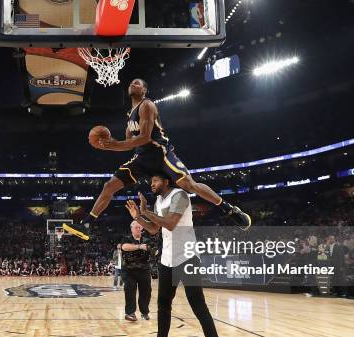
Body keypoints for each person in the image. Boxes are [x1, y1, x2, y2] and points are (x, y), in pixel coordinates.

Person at [63, 78, 251, 241]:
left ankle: (229, 209)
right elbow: (130, 143)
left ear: (144, 90)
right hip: (143, 158)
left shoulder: (147, 105)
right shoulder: (130, 115)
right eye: (131, 82)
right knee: (109, 186)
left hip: (160, 154)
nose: (132, 84)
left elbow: (144, 137)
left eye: (137, 83)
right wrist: (111, 143)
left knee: (189, 185)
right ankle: (87, 224)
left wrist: (114, 145)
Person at [125, 172, 226, 337]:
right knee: (163, 305)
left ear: (166, 181)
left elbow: (170, 223)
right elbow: (154, 229)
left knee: (198, 306)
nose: (151, 184)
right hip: (168, 258)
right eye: (151, 180)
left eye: (155, 181)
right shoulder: (159, 200)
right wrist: (138, 217)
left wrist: (145, 211)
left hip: (187, 256)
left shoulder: (180, 195)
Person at [120, 221, 153, 321]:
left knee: (146, 291)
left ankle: (144, 312)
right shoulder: (126, 238)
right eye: (136, 227)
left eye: (140, 227)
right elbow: (124, 247)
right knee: (130, 290)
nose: (138, 229)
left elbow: (152, 249)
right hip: (129, 270)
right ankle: (130, 313)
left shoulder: (147, 239)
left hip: (144, 269)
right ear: (131, 229)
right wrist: (139, 247)